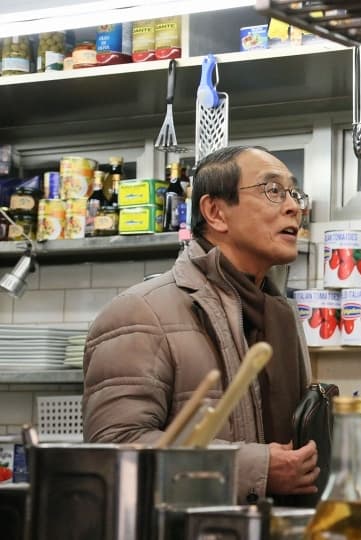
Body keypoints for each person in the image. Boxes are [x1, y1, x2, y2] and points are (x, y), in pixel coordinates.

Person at [83, 146, 319, 503]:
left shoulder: (281, 315)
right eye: (272, 190)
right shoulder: (141, 312)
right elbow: (113, 451)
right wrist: (256, 469)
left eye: (293, 193)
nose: (293, 207)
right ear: (215, 212)